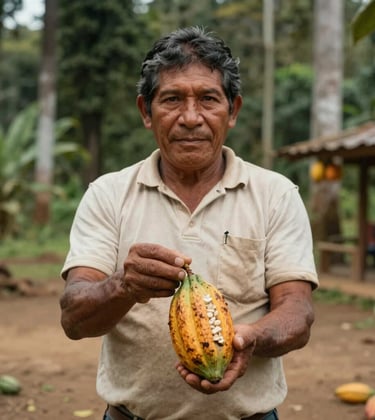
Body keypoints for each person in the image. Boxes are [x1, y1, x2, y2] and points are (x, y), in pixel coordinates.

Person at [60, 26, 319, 420]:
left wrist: (247, 339)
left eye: (209, 99)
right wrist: (123, 285)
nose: (191, 118)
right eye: (172, 100)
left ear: (233, 111)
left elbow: (297, 314)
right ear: (146, 112)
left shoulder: (275, 194)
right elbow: (74, 318)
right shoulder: (108, 194)